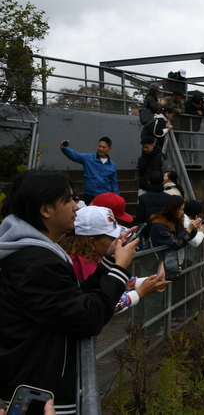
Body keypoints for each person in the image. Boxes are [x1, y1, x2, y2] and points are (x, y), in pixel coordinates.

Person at [0, 170, 137, 415]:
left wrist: (108, 261)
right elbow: (87, 317)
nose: (76, 207)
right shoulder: (36, 263)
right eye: (68, 199)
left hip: (40, 384)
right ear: (45, 210)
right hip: (43, 394)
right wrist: (119, 270)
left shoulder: (40, 254)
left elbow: (75, 296)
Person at [58, 206, 171, 312]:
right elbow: (105, 304)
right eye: (113, 238)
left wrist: (158, 278)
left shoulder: (92, 257)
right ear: (91, 241)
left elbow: (118, 283)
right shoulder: (80, 264)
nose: (117, 242)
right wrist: (141, 291)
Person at [60, 137, 118, 205]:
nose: (101, 149)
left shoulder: (112, 165)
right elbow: (75, 155)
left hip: (105, 195)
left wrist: (116, 197)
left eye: (104, 147)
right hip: (90, 194)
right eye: (99, 146)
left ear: (109, 149)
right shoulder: (88, 158)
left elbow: (114, 182)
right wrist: (64, 149)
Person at [136, 171, 170, 242]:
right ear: (162, 182)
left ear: (149, 182)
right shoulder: (168, 197)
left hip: (149, 232)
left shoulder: (143, 198)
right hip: (165, 230)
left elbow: (140, 217)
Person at [1, 37, 34, 104]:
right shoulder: (12, 52)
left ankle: (20, 100)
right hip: (17, 72)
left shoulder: (24, 52)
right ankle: (19, 100)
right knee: (14, 83)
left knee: (19, 84)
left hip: (23, 72)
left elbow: (27, 61)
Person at [181, 95, 204, 165]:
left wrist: (202, 113)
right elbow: (186, 110)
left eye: (200, 104)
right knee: (184, 147)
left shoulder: (200, 106)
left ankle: (194, 163)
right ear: (193, 102)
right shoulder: (187, 104)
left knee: (195, 147)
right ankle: (185, 163)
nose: (199, 106)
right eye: (198, 104)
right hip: (185, 129)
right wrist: (197, 113)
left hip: (195, 129)